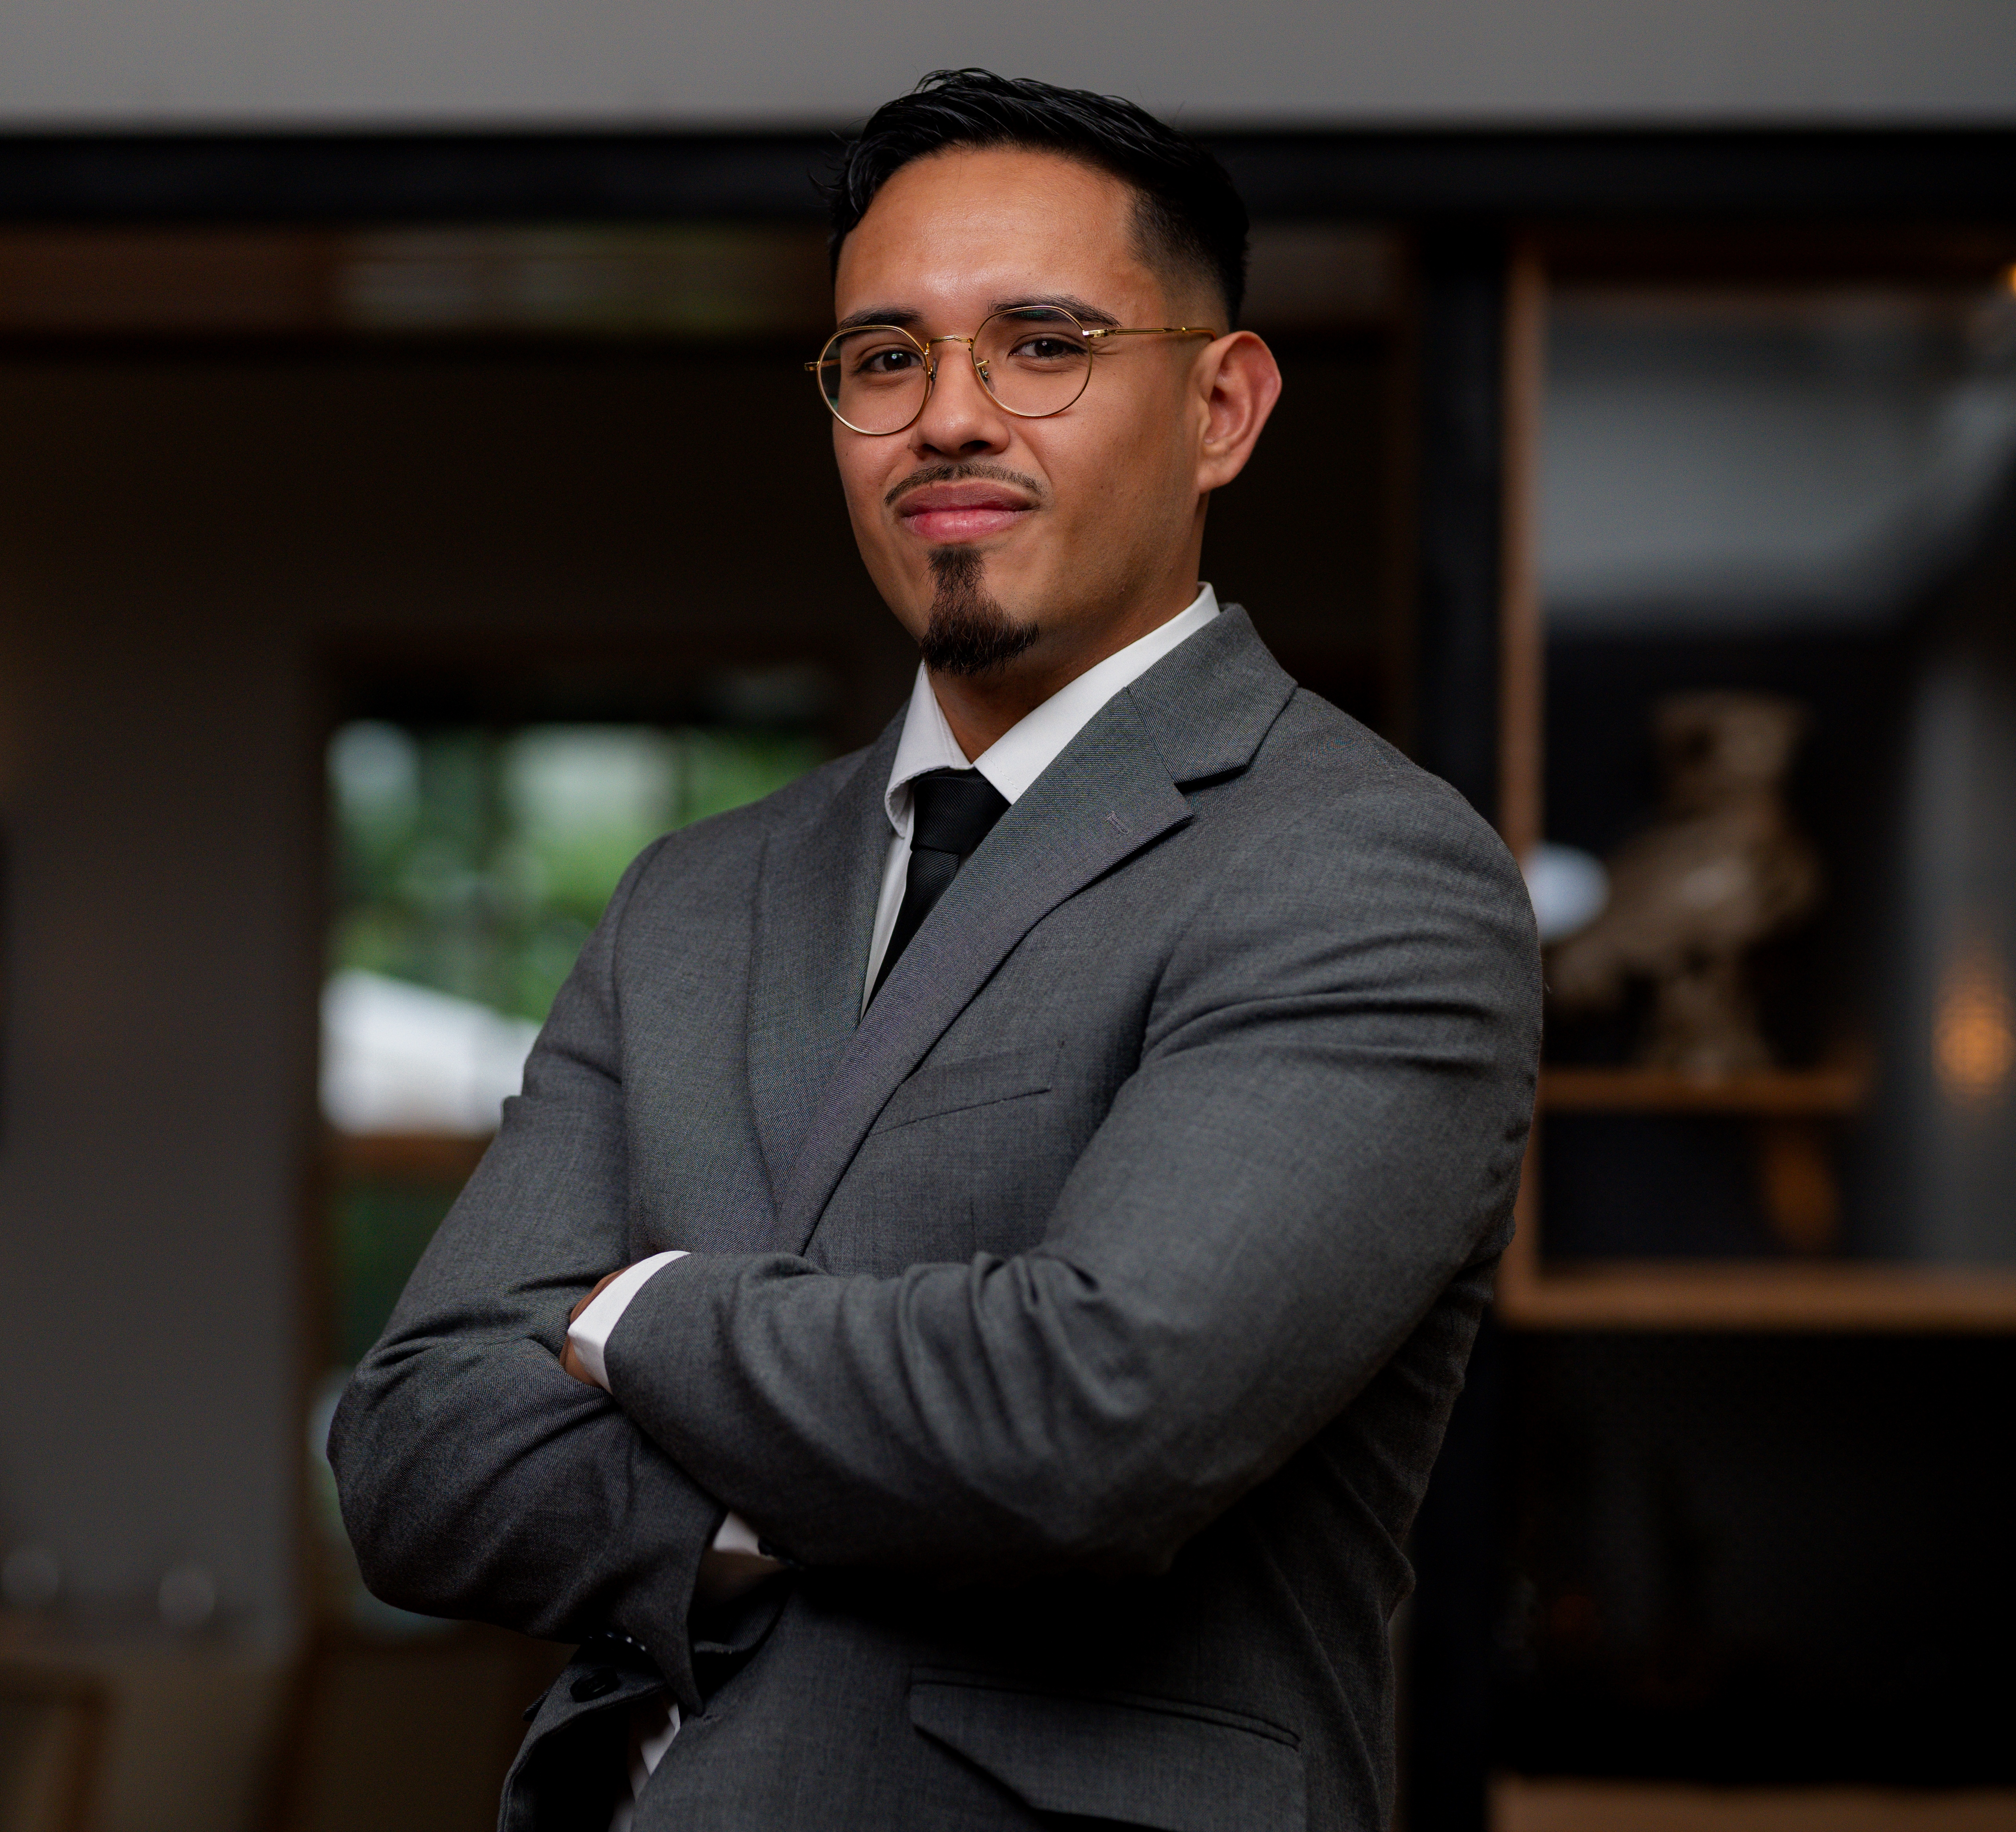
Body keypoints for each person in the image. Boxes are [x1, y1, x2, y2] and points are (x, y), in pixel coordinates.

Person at [329, 68, 1541, 1832]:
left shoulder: (1362, 872)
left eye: (1043, 344)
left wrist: (634, 1313)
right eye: (886, 358)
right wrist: (823, 1486)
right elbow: (411, 1452)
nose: (950, 417)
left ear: (1222, 406)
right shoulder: (695, 897)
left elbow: (1089, 1421)